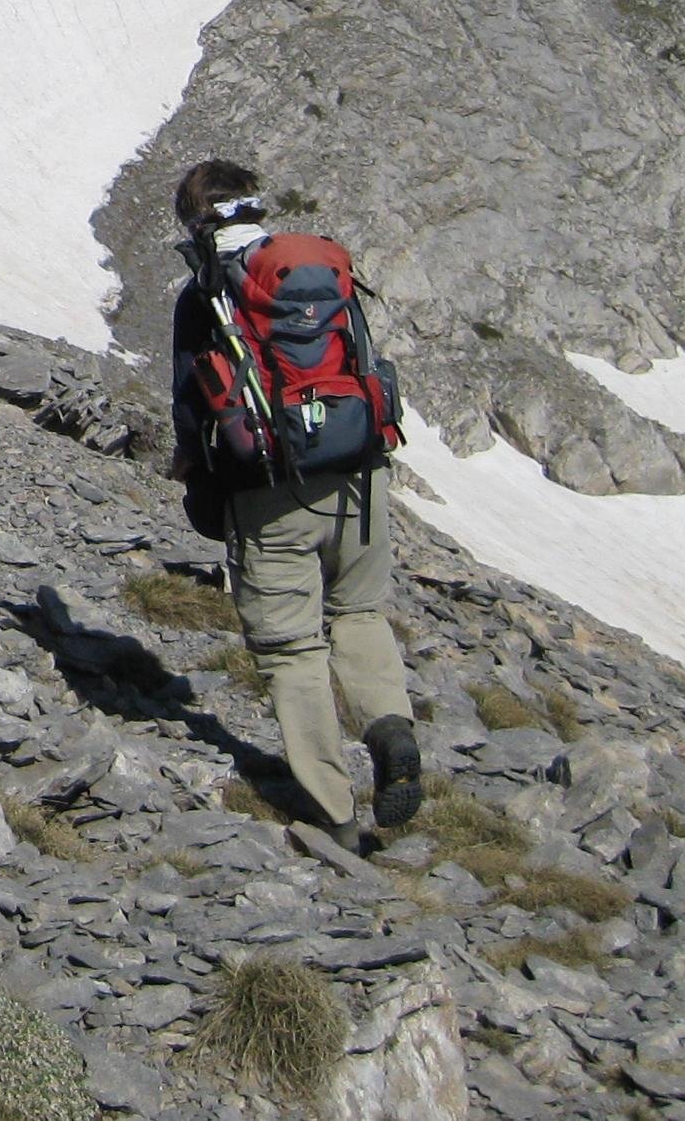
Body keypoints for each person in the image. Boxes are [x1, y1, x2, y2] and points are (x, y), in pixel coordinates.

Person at [165, 157, 422, 853]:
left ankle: (333, 813)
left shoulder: (207, 291)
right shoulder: (314, 268)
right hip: (359, 475)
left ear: (193, 216)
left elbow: (194, 401)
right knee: (359, 612)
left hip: (270, 491)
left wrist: (192, 471)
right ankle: (391, 728)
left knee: (292, 648)